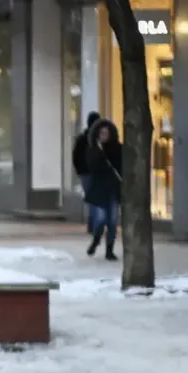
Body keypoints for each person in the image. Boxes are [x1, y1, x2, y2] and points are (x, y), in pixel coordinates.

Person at [85, 118, 122, 261]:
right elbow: (92, 166)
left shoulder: (116, 149)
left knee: (112, 222)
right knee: (100, 219)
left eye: (106, 133)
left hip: (113, 189)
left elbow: (120, 166)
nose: (104, 136)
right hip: (99, 190)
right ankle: (96, 240)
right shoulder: (93, 149)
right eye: (101, 133)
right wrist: (99, 151)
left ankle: (109, 250)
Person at [73, 111, 101, 234]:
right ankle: (94, 226)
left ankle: (92, 225)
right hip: (89, 173)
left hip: (88, 173)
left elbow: (76, 157)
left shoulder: (84, 138)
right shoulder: (90, 139)